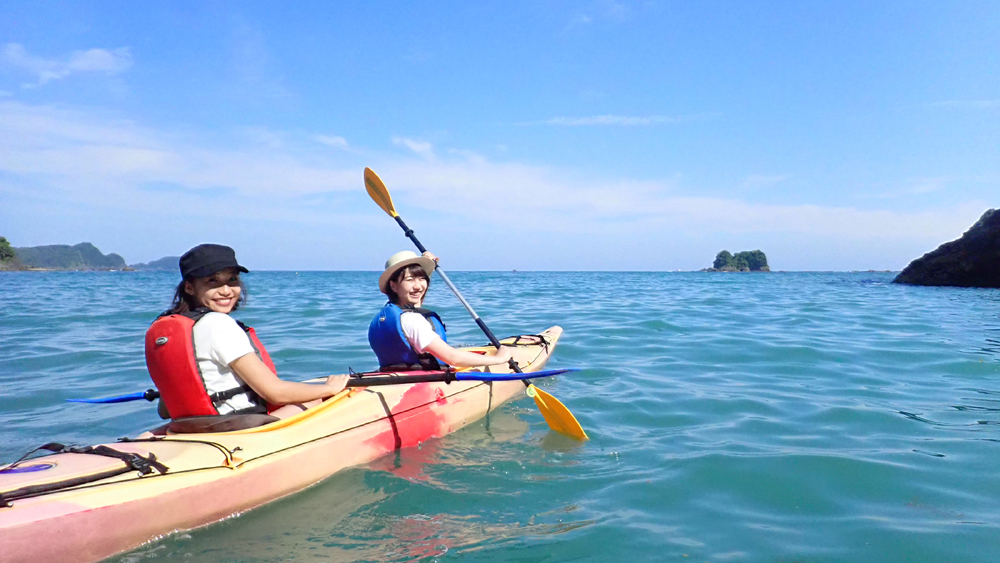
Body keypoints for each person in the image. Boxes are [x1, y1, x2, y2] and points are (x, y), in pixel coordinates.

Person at [145, 244, 348, 420]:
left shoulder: (171, 329)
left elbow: (165, 411)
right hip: (237, 427)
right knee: (324, 400)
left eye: (232, 279)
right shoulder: (218, 324)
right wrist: (330, 388)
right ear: (189, 288)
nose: (226, 290)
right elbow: (275, 393)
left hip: (190, 426)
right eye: (213, 281)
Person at [368, 250, 513, 371]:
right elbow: (452, 358)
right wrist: (498, 359)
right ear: (393, 286)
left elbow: (416, 300)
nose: (418, 286)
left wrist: (428, 267)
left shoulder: (384, 318)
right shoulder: (412, 320)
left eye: (422, 278)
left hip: (396, 377)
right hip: (424, 384)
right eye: (410, 280)